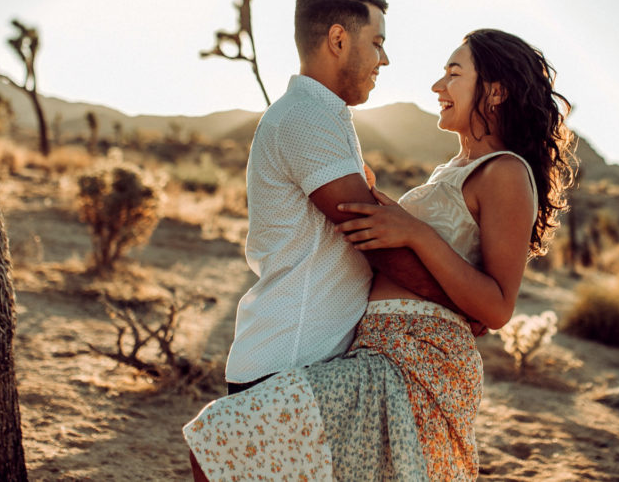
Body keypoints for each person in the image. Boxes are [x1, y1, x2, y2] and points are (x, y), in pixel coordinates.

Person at [184, 27, 575, 480]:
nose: (437, 87)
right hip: (375, 347)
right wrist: (379, 201)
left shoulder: (506, 172)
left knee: (223, 434)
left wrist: (416, 233)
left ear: (496, 91)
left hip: (421, 359)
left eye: (453, 73)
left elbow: (498, 306)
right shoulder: (451, 170)